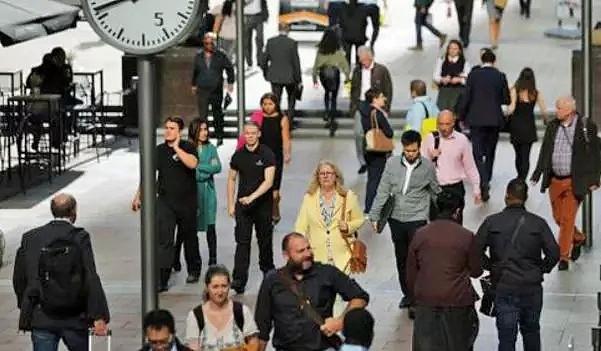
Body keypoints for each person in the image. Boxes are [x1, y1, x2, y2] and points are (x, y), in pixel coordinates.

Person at [13, 193, 110, 351]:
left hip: (41, 313)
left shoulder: (30, 238)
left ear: (52, 211)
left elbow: (19, 277)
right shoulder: (79, 237)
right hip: (74, 315)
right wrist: (98, 315)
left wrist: (25, 305)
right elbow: (90, 276)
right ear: (74, 212)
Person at [476, 178, 560, 351]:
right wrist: (541, 269)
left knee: (506, 337)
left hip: (504, 286)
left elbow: (475, 251)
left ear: (506, 196)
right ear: (526, 197)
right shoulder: (538, 223)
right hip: (531, 287)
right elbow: (554, 253)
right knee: (531, 332)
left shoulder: (492, 222)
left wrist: (491, 266)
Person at [255, 232, 370, 351]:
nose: (307, 254)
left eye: (308, 248)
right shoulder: (272, 280)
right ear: (286, 255)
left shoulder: (327, 273)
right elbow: (262, 327)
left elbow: (360, 297)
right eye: (300, 251)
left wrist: (340, 322)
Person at [369, 130, 440, 310]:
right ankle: (407, 294)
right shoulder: (391, 164)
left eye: (414, 151)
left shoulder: (427, 167)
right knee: (401, 256)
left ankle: (417, 295)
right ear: (403, 148)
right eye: (407, 151)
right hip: (396, 218)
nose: (410, 154)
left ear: (419, 148)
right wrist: (374, 215)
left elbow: (435, 191)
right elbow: (383, 189)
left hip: (417, 217)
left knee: (415, 257)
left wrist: (444, 211)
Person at [530, 96, 601, 270]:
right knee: (558, 217)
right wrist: (537, 173)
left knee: (568, 218)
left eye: (560, 108)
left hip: (574, 181)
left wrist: (594, 179)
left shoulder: (586, 126)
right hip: (555, 179)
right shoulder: (553, 126)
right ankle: (578, 238)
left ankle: (563, 256)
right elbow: (546, 150)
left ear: (570, 110)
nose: (557, 111)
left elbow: (595, 155)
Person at [131, 116, 201, 291]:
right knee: (164, 240)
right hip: (165, 202)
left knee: (189, 237)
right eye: (167, 127)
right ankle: (162, 278)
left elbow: (192, 164)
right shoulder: (159, 150)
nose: (168, 131)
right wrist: (138, 195)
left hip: (187, 202)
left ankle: (193, 269)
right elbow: (148, 175)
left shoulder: (188, 147)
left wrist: (177, 148)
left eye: (172, 128)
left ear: (180, 131)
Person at [407, 191, 481, 350]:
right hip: (457, 300)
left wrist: (418, 295)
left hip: (426, 300)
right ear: (458, 211)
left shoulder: (420, 234)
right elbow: (476, 270)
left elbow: (411, 272)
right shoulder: (466, 236)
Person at [227, 121, 276, 294]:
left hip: (262, 206)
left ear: (259, 134)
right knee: (242, 243)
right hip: (243, 207)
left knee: (264, 241)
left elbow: (268, 181)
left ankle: (269, 274)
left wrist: (252, 197)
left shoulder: (267, 154)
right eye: (247, 133)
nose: (249, 136)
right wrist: (230, 203)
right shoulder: (238, 156)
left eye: (253, 133)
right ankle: (239, 280)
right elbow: (232, 179)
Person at [458, 48, 510, 201]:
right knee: (491, 151)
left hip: (477, 119)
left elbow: (467, 96)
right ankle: (487, 176)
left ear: (482, 60)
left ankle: (482, 179)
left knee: (477, 152)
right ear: (494, 61)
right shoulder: (500, 76)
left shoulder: (474, 75)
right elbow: (505, 98)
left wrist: (461, 115)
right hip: (494, 120)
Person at [294, 160, 365, 272]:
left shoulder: (347, 196)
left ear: (336, 176)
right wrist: (299, 247)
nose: (325, 176)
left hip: (342, 255)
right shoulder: (309, 198)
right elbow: (301, 225)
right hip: (318, 256)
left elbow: (359, 219)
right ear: (317, 177)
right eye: (322, 174)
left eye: (329, 173)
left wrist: (348, 226)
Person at [421, 110, 481, 223]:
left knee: (455, 225)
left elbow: (470, 166)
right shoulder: (430, 139)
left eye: (447, 124)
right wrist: (430, 157)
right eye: (441, 124)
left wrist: (476, 188)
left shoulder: (462, 140)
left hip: (455, 188)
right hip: (436, 189)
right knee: (435, 225)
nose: (444, 128)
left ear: (453, 123)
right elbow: (421, 167)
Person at [184, 265, 260, 350]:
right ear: (207, 287)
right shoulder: (195, 316)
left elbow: (254, 343)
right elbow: (193, 348)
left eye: (224, 286)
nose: (220, 292)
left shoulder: (242, 311)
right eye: (215, 287)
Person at [350, 46, 393, 174]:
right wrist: (353, 105)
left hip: (376, 104)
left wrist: (385, 107)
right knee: (359, 134)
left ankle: (384, 155)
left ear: (370, 57)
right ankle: (363, 161)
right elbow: (353, 88)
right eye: (361, 60)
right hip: (361, 104)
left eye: (365, 60)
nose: (363, 62)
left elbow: (388, 89)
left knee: (379, 132)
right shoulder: (357, 70)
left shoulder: (381, 70)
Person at [191, 32, 235, 146]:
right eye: (207, 43)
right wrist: (193, 85)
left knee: (217, 114)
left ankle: (219, 136)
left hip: (216, 89)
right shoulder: (198, 56)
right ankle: (203, 138)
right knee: (203, 116)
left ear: (215, 43)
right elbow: (195, 71)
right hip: (202, 89)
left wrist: (230, 83)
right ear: (204, 44)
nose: (209, 45)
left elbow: (229, 68)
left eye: (211, 43)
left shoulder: (221, 55)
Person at [255, 93, 292, 224]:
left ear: (276, 104)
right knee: (261, 186)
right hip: (260, 156)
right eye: (264, 104)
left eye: (270, 104)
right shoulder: (258, 117)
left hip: (275, 157)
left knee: (274, 190)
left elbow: (286, 138)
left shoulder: (282, 119)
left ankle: (275, 207)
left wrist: (287, 152)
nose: (267, 107)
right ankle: (263, 213)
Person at [189, 119, 222, 266]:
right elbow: (189, 170)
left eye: (205, 129)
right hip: (192, 191)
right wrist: (202, 170)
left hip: (208, 192)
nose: (204, 133)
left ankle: (213, 257)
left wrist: (199, 167)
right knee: (190, 227)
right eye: (201, 130)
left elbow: (216, 167)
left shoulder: (211, 148)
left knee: (210, 225)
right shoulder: (188, 148)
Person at [506, 67, 547, 181]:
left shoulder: (515, 90)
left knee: (518, 154)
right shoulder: (535, 93)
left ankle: (519, 176)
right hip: (529, 126)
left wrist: (505, 115)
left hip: (516, 126)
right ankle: (523, 178)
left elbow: (512, 107)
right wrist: (545, 119)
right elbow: (544, 109)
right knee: (526, 155)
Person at [359, 88, 394, 214]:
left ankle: (370, 206)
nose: (384, 98)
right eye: (381, 96)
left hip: (369, 148)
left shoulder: (364, 112)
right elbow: (389, 132)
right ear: (375, 99)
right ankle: (371, 208)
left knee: (372, 178)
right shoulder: (377, 114)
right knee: (376, 179)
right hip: (379, 150)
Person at [261, 23, 302, 127]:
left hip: (275, 76)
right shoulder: (292, 43)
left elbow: (263, 60)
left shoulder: (271, 42)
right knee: (291, 100)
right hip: (290, 77)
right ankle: (289, 123)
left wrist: (266, 72)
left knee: (276, 100)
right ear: (288, 30)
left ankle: (276, 123)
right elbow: (296, 62)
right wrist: (298, 79)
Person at [313, 28, 351, 132]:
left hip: (323, 74)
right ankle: (332, 114)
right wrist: (347, 76)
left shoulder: (321, 51)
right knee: (334, 95)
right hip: (335, 73)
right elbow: (344, 64)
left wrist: (314, 79)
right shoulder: (337, 51)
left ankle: (326, 110)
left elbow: (316, 65)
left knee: (326, 92)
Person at [433, 40, 471, 113]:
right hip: (444, 91)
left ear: (459, 50)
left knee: (456, 113)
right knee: (442, 112)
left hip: (458, 92)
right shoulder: (441, 60)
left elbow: (469, 79)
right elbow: (435, 76)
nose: (452, 51)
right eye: (450, 48)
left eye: (455, 49)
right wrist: (442, 79)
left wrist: (459, 80)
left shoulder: (465, 63)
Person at [339, 0, 369, 65]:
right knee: (359, 55)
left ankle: (347, 71)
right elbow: (365, 23)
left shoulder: (343, 9)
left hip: (347, 36)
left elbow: (341, 23)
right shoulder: (363, 8)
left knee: (347, 55)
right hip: (359, 37)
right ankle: (358, 70)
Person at [243, 0, 268, 69]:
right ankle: (249, 63)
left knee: (260, 40)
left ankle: (260, 62)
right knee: (246, 41)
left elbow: (264, 3)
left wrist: (266, 15)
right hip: (245, 17)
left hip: (258, 16)